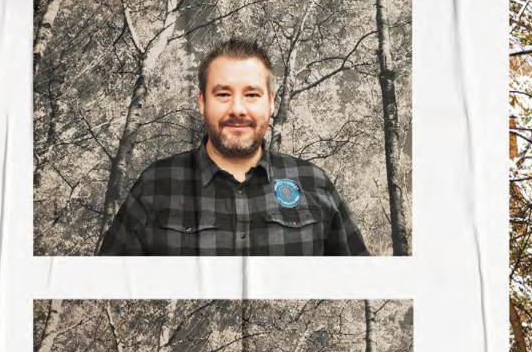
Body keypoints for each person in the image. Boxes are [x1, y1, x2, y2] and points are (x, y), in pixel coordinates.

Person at [97, 39, 369, 256]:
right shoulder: (155, 184)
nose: (238, 109)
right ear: (203, 102)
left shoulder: (313, 183)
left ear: (271, 102)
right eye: (223, 94)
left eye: (252, 95)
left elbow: (362, 289)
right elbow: (104, 293)